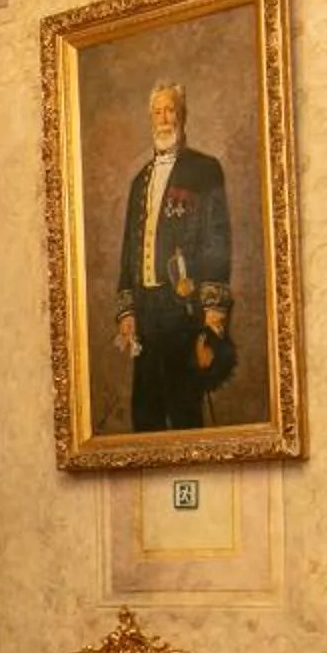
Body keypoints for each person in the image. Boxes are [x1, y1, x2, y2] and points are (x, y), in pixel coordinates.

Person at [112, 82, 236, 432]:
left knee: (184, 410)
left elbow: (217, 238)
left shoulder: (205, 169)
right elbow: (128, 248)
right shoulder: (140, 181)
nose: (164, 118)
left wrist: (213, 308)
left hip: (185, 307)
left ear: (182, 116)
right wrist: (127, 309)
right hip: (146, 311)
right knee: (145, 410)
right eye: (158, 111)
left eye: (171, 110)